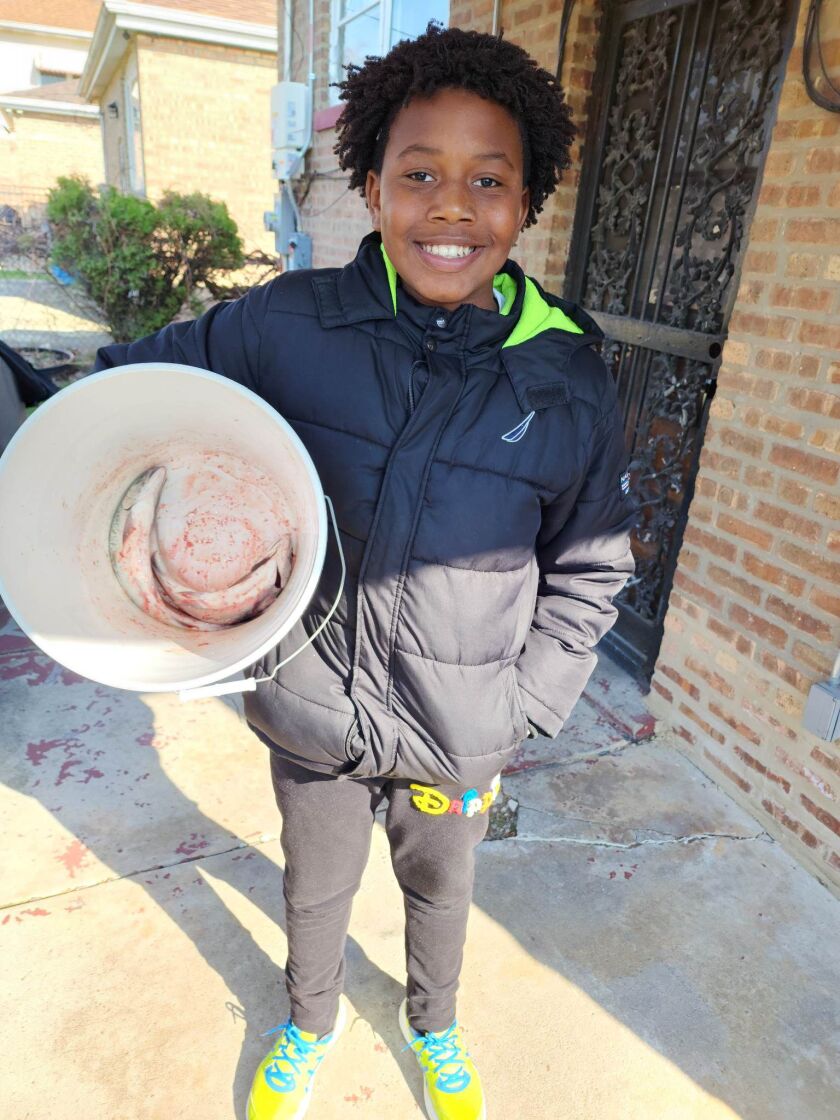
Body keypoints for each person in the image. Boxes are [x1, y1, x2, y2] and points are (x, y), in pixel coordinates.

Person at [94, 23, 636, 1120]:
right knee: (317, 883)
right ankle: (312, 1016)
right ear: (375, 187)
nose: (451, 206)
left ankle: (433, 1022)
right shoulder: (290, 323)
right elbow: (133, 391)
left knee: (441, 886)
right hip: (313, 703)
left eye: (488, 181)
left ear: (525, 203)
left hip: (459, 719)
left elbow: (591, 565)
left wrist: (522, 705)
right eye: (420, 174)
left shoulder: (568, 379)